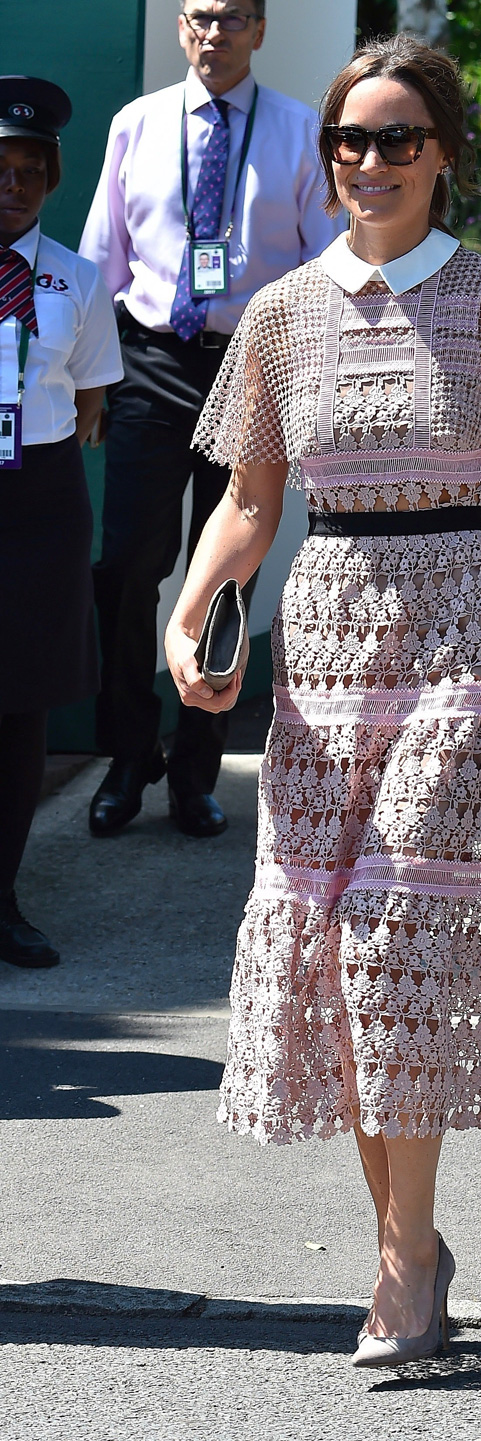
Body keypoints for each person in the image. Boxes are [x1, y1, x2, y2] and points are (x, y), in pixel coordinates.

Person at [165, 34, 481, 1366]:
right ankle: (405, 1253)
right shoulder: (284, 313)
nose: (371, 162)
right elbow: (250, 502)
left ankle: (403, 1268)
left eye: (399, 139)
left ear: (444, 157)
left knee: (393, 935)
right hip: (326, 638)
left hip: (461, 632)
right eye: (350, 141)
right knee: (349, 958)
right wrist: (186, 617)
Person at [79, 0, 339, 840]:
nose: (212, 34)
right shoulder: (139, 123)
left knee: (226, 569)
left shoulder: (300, 131)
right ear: (182, 27)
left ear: (260, 29)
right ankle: (127, 753)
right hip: (151, 361)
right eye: (198, 17)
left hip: (253, 366)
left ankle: (196, 768)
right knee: (125, 566)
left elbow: (320, 269)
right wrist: (88, 378)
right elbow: (99, 259)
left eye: (231, 18)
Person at [0, 77, 123, 968]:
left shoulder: (76, 278)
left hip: (38, 502)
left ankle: (2, 896)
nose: (12, 184)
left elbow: (88, 399)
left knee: (20, 711)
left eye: (30, 171)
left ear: (51, 182)